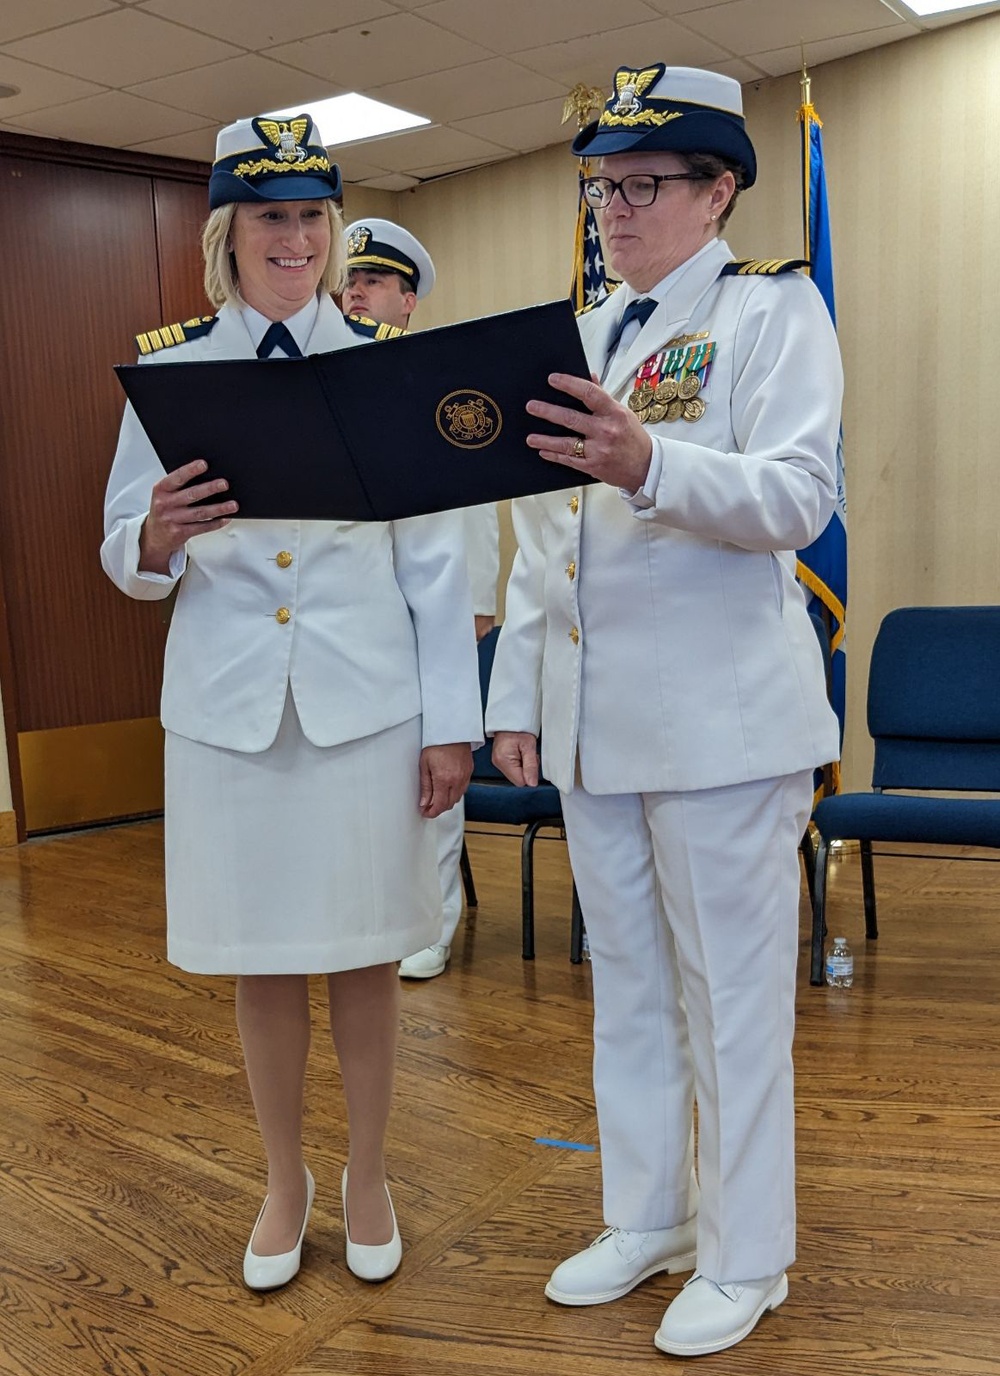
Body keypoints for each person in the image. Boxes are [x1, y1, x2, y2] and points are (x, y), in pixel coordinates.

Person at [486, 64, 842, 1358]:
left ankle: (750, 1255)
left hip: (724, 731)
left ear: (716, 190)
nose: (614, 211)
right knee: (629, 986)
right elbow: (540, 540)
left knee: (732, 996)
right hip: (595, 729)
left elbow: (798, 498)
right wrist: (519, 692)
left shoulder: (772, 314)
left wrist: (650, 462)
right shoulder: (582, 338)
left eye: (641, 185)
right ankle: (649, 1215)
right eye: (601, 186)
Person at [101, 113, 482, 1292]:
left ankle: (367, 1175)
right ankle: (285, 1177)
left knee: (365, 960)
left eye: (312, 213)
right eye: (271, 213)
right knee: (262, 964)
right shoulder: (166, 370)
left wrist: (451, 722)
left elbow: (434, 562)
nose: (296, 236)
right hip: (228, 715)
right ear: (228, 233)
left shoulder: (385, 364)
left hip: (362, 711)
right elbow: (124, 543)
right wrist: (153, 536)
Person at [341, 218, 501, 980]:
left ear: (408, 302)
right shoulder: (332, 384)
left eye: (373, 281)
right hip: (354, 623)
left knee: (430, 777)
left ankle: (434, 923)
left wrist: (475, 604)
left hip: (430, 614)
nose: (355, 291)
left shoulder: (437, 382)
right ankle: (366, 915)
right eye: (350, 280)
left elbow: (470, 503)